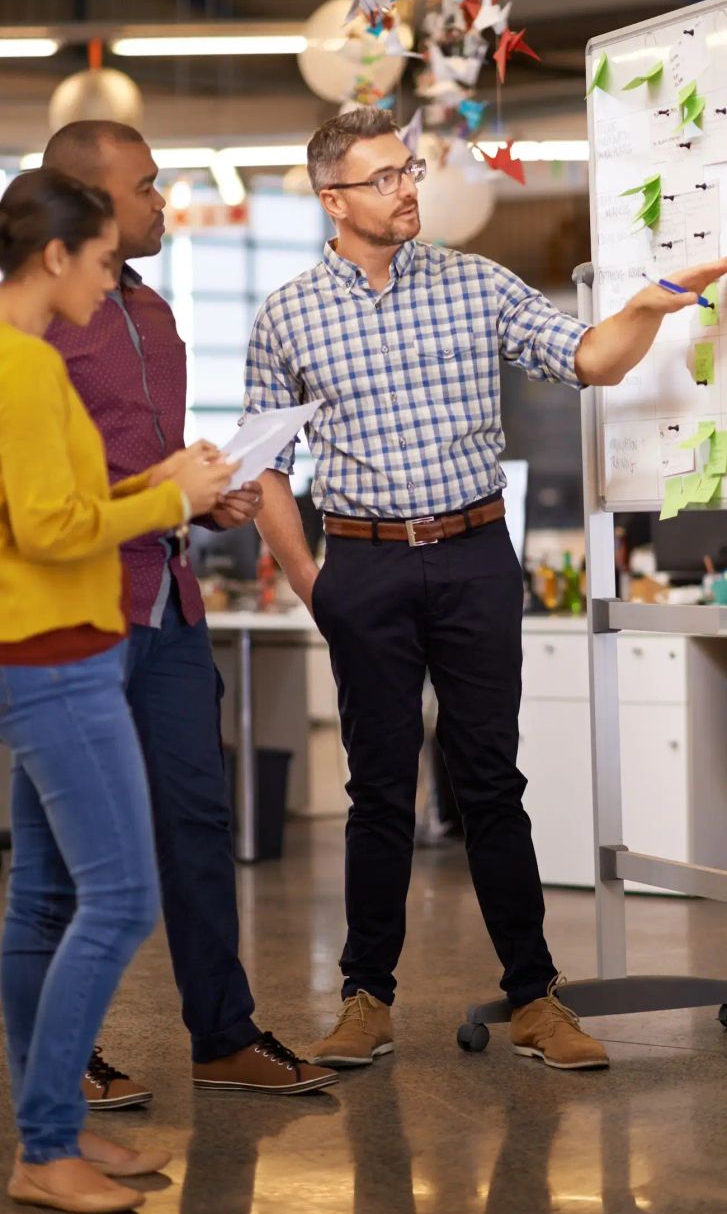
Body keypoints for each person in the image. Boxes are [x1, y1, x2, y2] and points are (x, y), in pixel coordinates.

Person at [246, 107, 727, 1073]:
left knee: (489, 782)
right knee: (377, 790)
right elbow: (264, 462)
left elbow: (586, 359)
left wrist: (646, 307)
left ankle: (534, 998)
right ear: (331, 197)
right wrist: (311, 580)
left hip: (471, 556)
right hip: (364, 562)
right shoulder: (287, 314)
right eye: (383, 177)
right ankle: (364, 999)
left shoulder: (476, 283)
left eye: (410, 169)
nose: (407, 188)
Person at [43, 120, 337, 1101]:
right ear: (89, 203)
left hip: (167, 599)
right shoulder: (35, 322)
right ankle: (59, 1050)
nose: (162, 201)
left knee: (197, 819)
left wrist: (215, 492)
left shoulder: (157, 312)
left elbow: (143, 460)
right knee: (60, 836)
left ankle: (222, 1033)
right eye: (146, 186)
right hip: (79, 604)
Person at [0, 168, 235, 1213]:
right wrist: (166, 503)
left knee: (46, 898)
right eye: (102, 262)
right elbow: (47, 531)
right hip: (54, 655)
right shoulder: (21, 365)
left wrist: (156, 483)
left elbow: (63, 501)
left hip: (57, 647)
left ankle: (52, 1121)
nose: (112, 281)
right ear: (55, 257)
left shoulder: (22, 362)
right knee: (123, 895)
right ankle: (45, 1145)